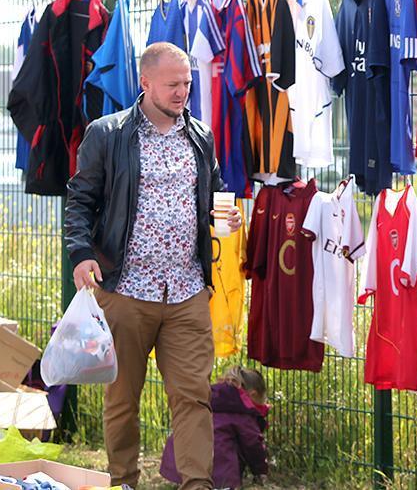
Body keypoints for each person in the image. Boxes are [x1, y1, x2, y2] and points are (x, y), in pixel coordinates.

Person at [64, 42, 243, 490]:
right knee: (122, 398)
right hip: (126, 291)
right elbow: (80, 200)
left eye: (187, 82)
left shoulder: (201, 136)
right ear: (145, 84)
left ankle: (197, 484)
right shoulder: (108, 134)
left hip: (186, 292)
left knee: (193, 398)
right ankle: (123, 480)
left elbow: (213, 194)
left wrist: (226, 216)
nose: (183, 91)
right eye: (173, 84)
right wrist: (81, 253)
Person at [160, 366, 271, 489]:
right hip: (218, 474)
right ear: (253, 394)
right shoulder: (243, 412)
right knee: (220, 445)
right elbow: (253, 445)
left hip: (176, 467)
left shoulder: (208, 396)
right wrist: (260, 471)